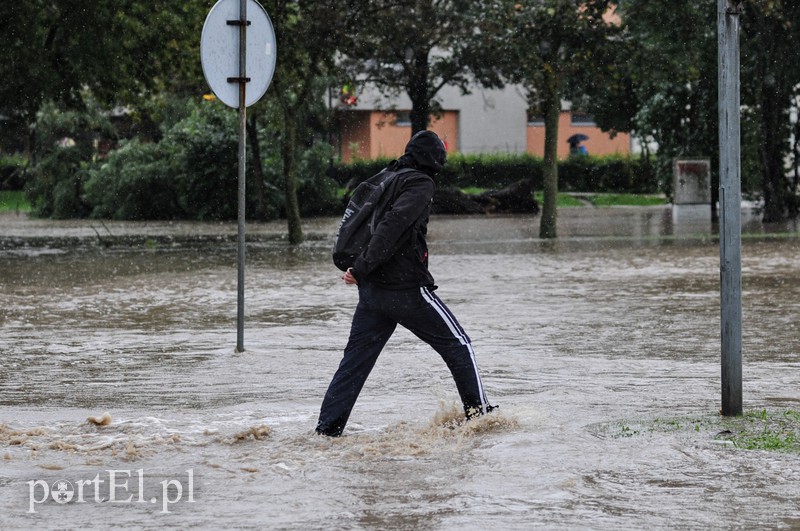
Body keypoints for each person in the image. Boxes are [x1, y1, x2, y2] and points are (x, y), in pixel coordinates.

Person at [316, 130, 496, 437]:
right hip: (405, 289)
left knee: (355, 364)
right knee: (459, 345)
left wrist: (361, 270)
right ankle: (480, 418)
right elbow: (393, 226)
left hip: (372, 292)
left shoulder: (386, 176)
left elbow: (365, 220)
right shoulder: (419, 183)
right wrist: (361, 267)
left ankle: (327, 432)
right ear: (434, 159)